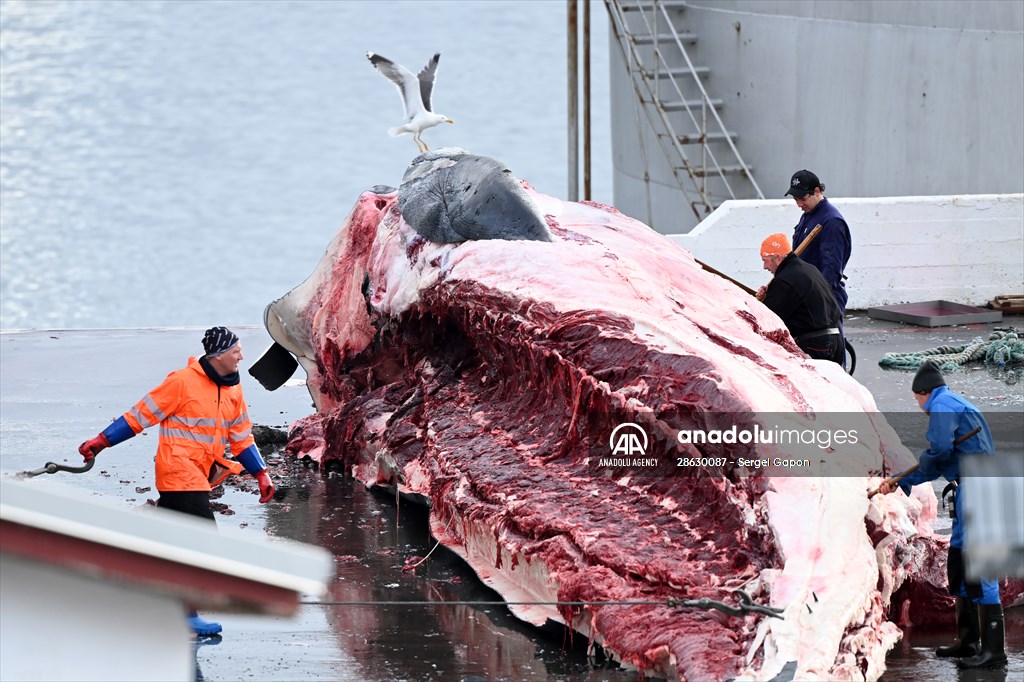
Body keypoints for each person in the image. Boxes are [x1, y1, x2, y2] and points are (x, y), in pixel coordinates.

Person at [78, 326, 276, 637]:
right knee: (200, 540)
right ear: (218, 355)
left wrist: (261, 473)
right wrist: (102, 441)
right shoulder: (182, 382)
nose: (242, 355)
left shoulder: (234, 390)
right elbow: (140, 415)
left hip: (201, 474)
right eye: (236, 350)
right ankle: (185, 613)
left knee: (168, 543)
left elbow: (241, 439)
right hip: (177, 472)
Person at [877, 362, 1006, 670]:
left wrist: (901, 478)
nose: (919, 407)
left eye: (917, 400)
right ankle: (969, 641)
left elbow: (938, 451)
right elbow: (940, 459)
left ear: (925, 393)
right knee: (959, 564)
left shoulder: (943, 405)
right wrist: (902, 479)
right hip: (967, 492)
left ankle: (993, 650)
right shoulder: (952, 404)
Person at [758, 233, 844, 365]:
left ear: (778, 258)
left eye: (765, 260)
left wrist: (760, 300)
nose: (765, 267)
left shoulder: (785, 280)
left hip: (814, 345)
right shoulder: (808, 269)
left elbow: (768, 319)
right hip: (835, 339)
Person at [785, 169, 852, 321]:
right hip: (808, 292)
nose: (799, 204)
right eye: (796, 199)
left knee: (831, 342)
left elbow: (831, 268)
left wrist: (818, 298)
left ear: (816, 191)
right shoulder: (808, 215)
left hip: (824, 296)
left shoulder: (831, 221)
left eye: (802, 198)